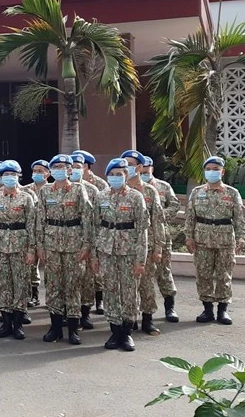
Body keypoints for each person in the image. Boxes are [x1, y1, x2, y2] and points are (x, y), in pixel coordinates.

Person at [37, 154, 94, 345]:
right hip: (52, 245)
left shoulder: (78, 190)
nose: (60, 170)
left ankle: (73, 329)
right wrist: (40, 246)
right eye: (56, 167)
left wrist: (87, 245)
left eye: (63, 167)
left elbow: (87, 219)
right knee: (53, 286)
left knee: (73, 286)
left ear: (70, 170)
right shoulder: (45, 191)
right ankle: (54, 328)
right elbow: (40, 220)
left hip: (74, 245)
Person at [92, 158, 147, 352]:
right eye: (112, 174)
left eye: (120, 174)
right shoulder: (100, 197)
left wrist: (141, 259)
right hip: (107, 250)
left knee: (129, 292)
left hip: (129, 251)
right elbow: (95, 227)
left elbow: (142, 230)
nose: (116, 177)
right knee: (110, 290)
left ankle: (127, 333)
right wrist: (94, 256)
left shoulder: (135, 197)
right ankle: (115, 331)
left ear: (126, 175)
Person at [185, 156, 245, 326]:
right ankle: (207, 309)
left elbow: (240, 219)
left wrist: (242, 237)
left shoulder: (232, 193)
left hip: (225, 240)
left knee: (224, 275)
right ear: (204, 171)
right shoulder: (197, 192)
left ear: (222, 172)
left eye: (216, 169)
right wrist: (189, 237)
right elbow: (190, 217)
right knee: (203, 275)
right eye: (209, 169)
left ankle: (222, 310)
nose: (212, 172)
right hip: (202, 239)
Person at [0, 160, 37, 340]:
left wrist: (32, 250)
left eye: (13, 175)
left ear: (19, 176)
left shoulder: (27, 197)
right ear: (0, 177)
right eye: (6, 175)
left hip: (20, 245)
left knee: (20, 283)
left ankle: (18, 323)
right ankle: (6, 322)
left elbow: (32, 225)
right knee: (3, 283)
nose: (9, 178)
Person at [121, 150, 166, 335]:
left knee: (146, 285)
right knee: (126, 286)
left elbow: (158, 220)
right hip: (122, 245)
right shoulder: (117, 189)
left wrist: (158, 248)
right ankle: (129, 320)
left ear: (139, 167)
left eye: (130, 164)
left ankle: (148, 319)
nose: (126, 167)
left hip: (146, 244)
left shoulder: (150, 191)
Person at [142, 155, 181, 322]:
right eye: (141, 170)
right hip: (140, 238)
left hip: (160, 236)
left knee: (163, 272)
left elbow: (175, 204)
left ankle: (169, 307)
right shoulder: (131, 187)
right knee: (142, 276)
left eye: (146, 170)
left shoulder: (163, 187)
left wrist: (159, 216)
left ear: (152, 169)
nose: (144, 173)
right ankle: (141, 310)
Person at [72, 153, 105, 321]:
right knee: (71, 278)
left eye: (79, 166)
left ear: (86, 167)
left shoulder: (95, 188)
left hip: (90, 237)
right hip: (69, 239)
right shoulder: (61, 187)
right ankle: (69, 311)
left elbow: (100, 215)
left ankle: (89, 309)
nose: (74, 170)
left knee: (90, 276)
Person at [25, 159, 49, 308]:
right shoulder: (26, 190)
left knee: (51, 266)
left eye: (40, 171)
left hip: (48, 232)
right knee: (31, 264)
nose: (37, 173)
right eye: (35, 171)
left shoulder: (52, 189)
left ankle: (52, 297)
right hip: (30, 232)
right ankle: (33, 294)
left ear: (48, 173)